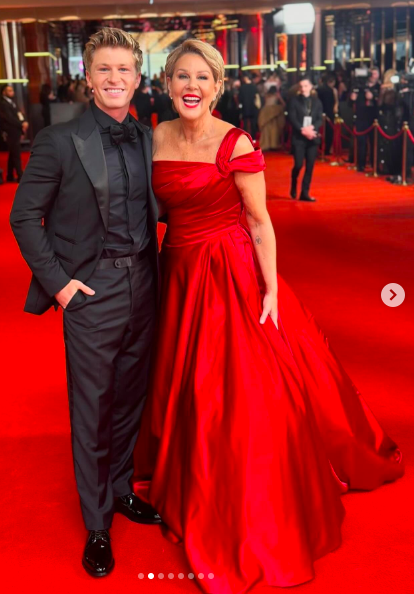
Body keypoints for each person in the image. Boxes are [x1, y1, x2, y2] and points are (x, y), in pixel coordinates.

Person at [132, 39, 404, 594]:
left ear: (218, 84)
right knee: (182, 377)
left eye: (202, 77)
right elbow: (153, 208)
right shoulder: (155, 135)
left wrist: (271, 288)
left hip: (228, 270)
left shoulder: (234, 141)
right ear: (166, 82)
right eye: (182, 76)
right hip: (178, 269)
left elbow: (259, 223)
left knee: (233, 387)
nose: (191, 86)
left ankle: (236, 492)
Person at [9, 28, 161, 579]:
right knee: (93, 409)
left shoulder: (149, 137)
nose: (115, 78)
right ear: (89, 77)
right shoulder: (59, 139)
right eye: (104, 69)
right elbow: (23, 217)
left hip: (145, 284)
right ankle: (97, 524)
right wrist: (61, 285)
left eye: (124, 69)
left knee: (129, 402)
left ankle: (121, 490)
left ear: (138, 78)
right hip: (90, 293)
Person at [288, 78, 323, 201]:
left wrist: (311, 129)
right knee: (298, 165)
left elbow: (320, 118)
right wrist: (303, 130)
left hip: (312, 137)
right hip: (299, 137)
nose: (303, 88)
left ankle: (305, 193)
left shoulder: (317, 102)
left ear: (311, 86)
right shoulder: (294, 101)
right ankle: (293, 184)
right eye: (301, 86)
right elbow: (292, 118)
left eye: (306, 86)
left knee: (310, 166)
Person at [349, 67, 381, 172]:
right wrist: (352, 98)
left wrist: (374, 97)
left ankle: (374, 163)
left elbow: (382, 104)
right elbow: (349, 103)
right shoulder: (359, 86)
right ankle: (360, 164)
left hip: (374, 118)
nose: (372, 76)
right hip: (361, 117)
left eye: (375, 73)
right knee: (361, 142)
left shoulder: (380, 87)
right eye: (371, 73)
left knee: (374, 142)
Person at [0, 84, 28, 182]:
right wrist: (21, 124)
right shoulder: (3, 104)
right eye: (9, 90)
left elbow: (19, 114)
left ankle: (10, 176)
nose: (11, 92)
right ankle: (20, 175)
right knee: (16, 154)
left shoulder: (12, 103)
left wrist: (24, 121)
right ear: (4, 92)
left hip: (16, 130)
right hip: (10, 131)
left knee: (13, 153)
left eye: (12, 90)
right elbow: (9, 118)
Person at [257, 85, 285, 151]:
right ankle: (273, 144)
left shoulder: (266, 96)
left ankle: (266, 144)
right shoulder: (277, 96)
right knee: (274, 130)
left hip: (265, 113)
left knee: (265, 129)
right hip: (274, 112)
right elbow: (283, 104)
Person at [317, 72, 339, 155]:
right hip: (329, 113)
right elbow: (336, 102)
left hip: (320, 113)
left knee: (320, 131)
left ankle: (320, 148)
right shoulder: (333, 90)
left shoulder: (318, 89)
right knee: (329, 132)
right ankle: (327, 149)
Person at [239, 74, 259, 138]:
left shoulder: (242, 88)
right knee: (253, 123)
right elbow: (256, 97)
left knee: (245, 123)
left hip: (245, 107)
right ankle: (253, 136)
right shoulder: (254, 87)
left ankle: (245, 136)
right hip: (253, 107)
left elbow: (240, 99)